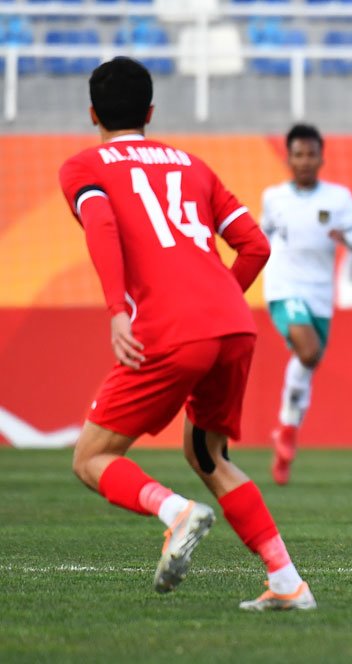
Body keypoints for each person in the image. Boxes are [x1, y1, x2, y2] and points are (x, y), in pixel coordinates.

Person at [58, 57, 316, 610]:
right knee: (207, 454)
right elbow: (256, 246)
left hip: (171, 328)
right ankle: (288, 581)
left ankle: (174, 512)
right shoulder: (191, 166)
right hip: (233, 325)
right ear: (150, 112)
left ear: (92, 113)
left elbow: (102, 223)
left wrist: (117, 310)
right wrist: (218, 299)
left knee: (91, 458)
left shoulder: (85, 166)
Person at [260, 124, 352, 485]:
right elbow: (259, 240)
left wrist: (346, 238)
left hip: (320, 295)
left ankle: (287, 429)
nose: (304, 161)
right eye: (298, 154)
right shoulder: (274, 198)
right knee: (307, 352)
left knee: (306, 364)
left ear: (322, 157)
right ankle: (286, 429)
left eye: (310, 154)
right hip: (284, 288)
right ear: (289, 158)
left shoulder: (338, 199)